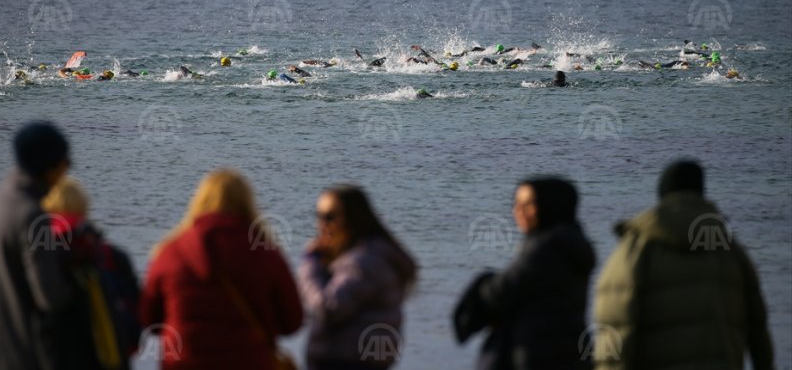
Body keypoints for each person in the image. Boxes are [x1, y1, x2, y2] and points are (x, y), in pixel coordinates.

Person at [593, 160, 774, 369]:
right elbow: (758, 329)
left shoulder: (636, 250)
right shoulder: (731, 252)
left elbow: (616, 325)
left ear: (662, 194)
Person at [140, 169, 303, 369]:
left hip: (184, 363)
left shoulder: (169, 253)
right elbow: (292, 322)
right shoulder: (265, 254)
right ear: (247, 205)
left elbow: (149, 319)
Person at [453, 177, 595, 370]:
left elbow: (503, 290)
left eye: (528, 205)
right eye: (517, 204)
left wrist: (482, 283)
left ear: (549, 207)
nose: (518, 211)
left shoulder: (545, 249)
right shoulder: (571, 242)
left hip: (539, 355)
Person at [0, 121, 76, 370]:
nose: (66, 172)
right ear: (49, 166)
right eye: (65, 164)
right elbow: (50, 295)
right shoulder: (33, 217)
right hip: (21, 355)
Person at [299, 185, 418, 370]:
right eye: (319, 216)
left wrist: (310, 263)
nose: (321, 225)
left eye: (329, 217)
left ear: (352, 219)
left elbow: (328, 307)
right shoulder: (368, 256)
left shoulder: (364, 263)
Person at [40, 176, 141, 370]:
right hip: (107, 359)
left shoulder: (36, 257)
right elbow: (137, 318)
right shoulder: (111, 256)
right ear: (84, 207)